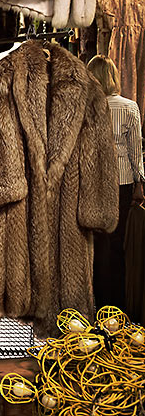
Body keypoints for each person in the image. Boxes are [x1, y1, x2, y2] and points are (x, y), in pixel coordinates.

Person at [87, 55, 144, 311]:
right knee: (118, 244)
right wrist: (139, 184)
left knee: (97, 244)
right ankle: (117, 309)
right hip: (121, 181)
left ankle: (97, 304)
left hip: (94, 181)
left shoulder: (86, 106)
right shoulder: (129, 107)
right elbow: (135, 150)